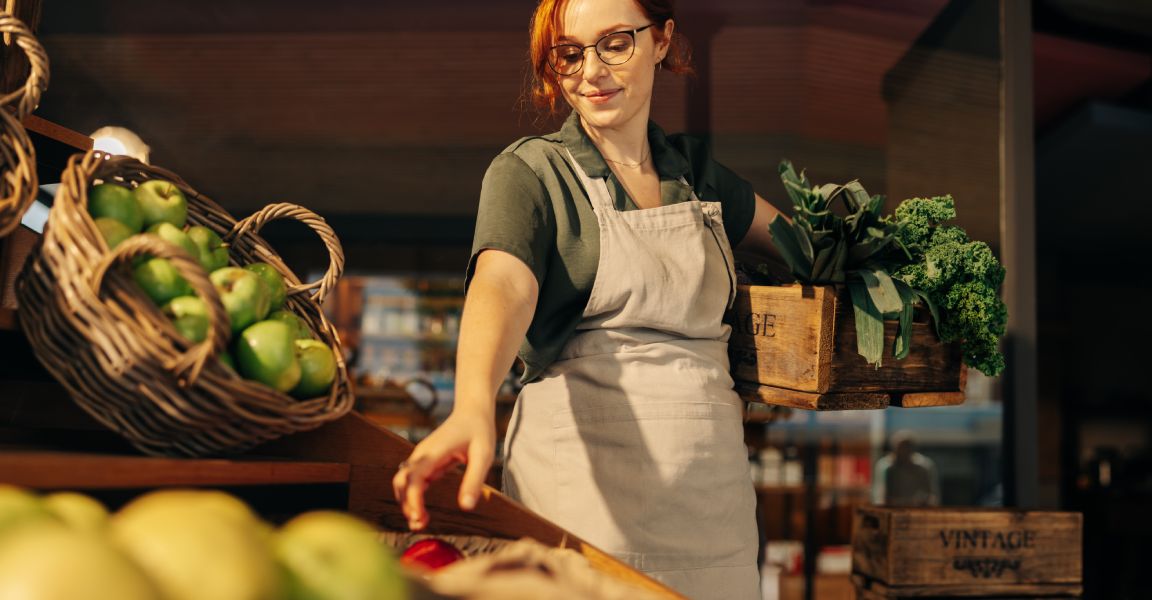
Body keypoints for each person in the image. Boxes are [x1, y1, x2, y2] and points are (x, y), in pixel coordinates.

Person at [393, 0, 784, 597]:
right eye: (570, 53)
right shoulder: (533, 172)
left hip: (713, 505)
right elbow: (503, 282)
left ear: (662, 40)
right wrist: (473, 403)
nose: (592, 70)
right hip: (581, 495)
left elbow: (806, 249)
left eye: (616, 43)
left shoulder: (703, 178)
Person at [871, 430, 941, 507]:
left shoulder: (924, 467)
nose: (903, 451)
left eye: (907, 448)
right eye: (901, 448)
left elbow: (932, 497)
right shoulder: (886, 467)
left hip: (917, 512)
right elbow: (879, 497)